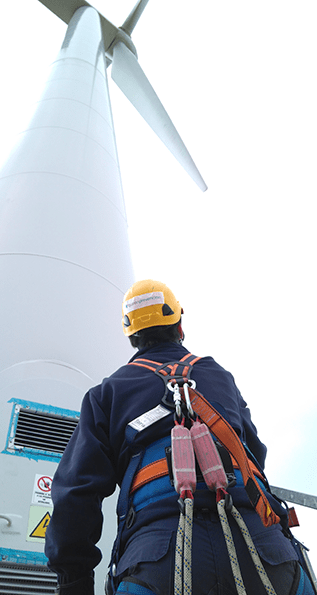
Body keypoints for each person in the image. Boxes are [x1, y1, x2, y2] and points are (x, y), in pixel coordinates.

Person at [45, 279, 314, 595]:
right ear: (179, 324)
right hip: (265, 549)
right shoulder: (219, 377)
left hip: (156, 561)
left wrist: (73, 580)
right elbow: (253, 454)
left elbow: (76, 492)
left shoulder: (108, 393)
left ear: (133, 336)